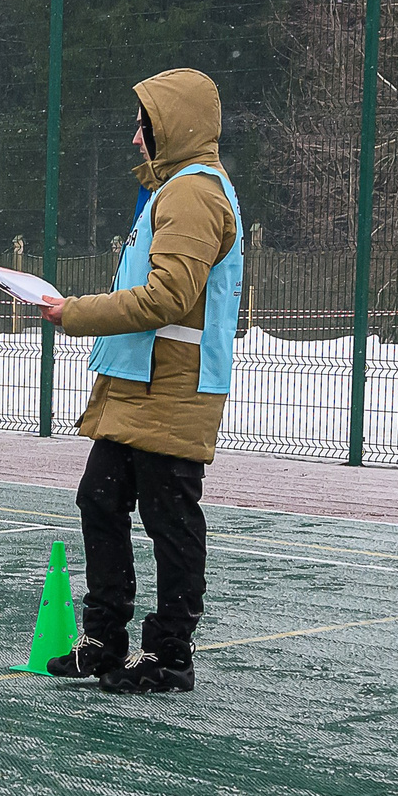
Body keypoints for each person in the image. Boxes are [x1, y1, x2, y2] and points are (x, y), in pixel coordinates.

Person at [40, 69, 243, 694]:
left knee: (169, 518)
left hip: (173, 389)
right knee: (100, 500)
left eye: (144, 126)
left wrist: (74, 313)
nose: (134, 139)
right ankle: (105, 640)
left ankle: (169, 654)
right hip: (139, 385)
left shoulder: (194, 195)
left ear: (172, 128)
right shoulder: (176, 191)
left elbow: (167, 297)